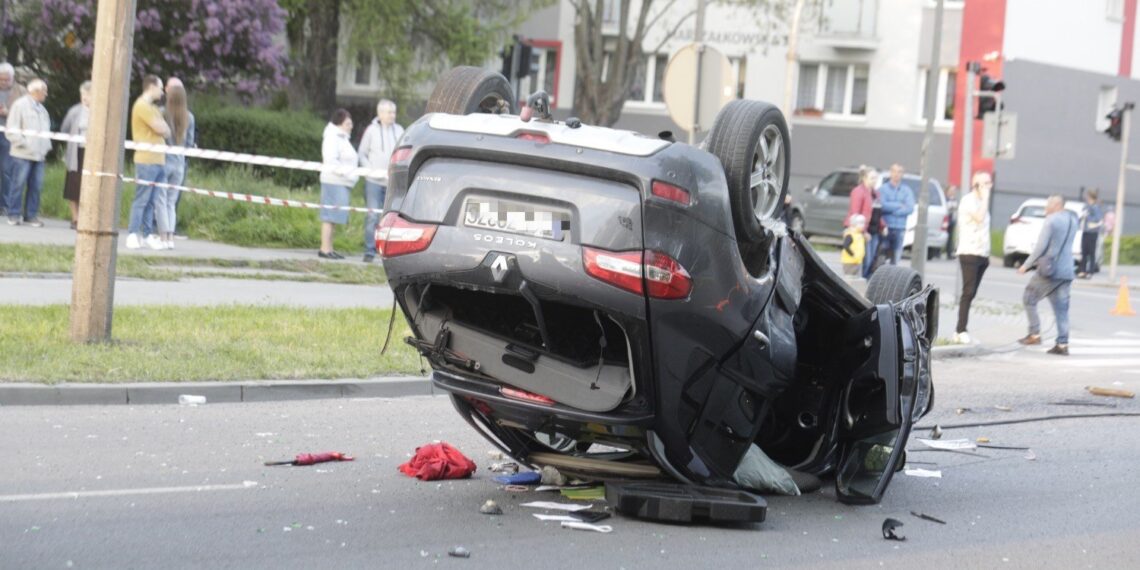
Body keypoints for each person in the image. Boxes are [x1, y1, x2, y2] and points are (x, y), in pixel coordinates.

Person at [1017, 195, 1079, 356]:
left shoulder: (1051, 221)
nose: (1046, 207)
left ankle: (1034, 334)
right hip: (1067, 270)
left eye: (1048, 204)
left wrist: (1026, 265)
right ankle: (1062, 344)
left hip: (1050, 269)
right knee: (1062, 309)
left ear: (1056, 205)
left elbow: (1040, 247)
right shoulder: (1073, 220)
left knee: (1029, 297)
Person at [126, 75, 170, 250]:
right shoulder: (142, 106)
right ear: (151, 87)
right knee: (142, 198)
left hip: (158, 159)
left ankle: (146, 234)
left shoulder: (153, 108)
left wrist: (163, 129)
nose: (162, 91)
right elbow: (161, 128)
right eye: (160, 88)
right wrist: (163, 128)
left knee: (151, 201)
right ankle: (132, 233)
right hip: (146, 159)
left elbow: (166, 130)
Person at [357, 99, 403, 262]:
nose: (393, 115)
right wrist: (370, 170)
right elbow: (361, 153)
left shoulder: (399, 130)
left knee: (390, 218)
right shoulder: (371, 130)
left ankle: (386, 252)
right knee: (372, 216)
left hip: (393, 182)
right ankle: (369, 251)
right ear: (380, 113)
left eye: (394, 112)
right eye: (389, 112)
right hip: (374, 182)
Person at [4, 79, 51, 227]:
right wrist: (25, 145)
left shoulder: (43, 110)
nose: (46, 94)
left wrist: (45, 147)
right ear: (35, 91)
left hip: (39, 155)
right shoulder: (20, 105)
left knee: (36, 186)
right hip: (22, 154)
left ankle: (31, 215)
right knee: (18, 184)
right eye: (44, 91)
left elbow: (46, 131)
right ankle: (13, 214)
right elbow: (11, 130)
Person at [953, 171, 993, 345]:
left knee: (972, 293)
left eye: (988, 183)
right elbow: (979, 217)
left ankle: (962, 329)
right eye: (983, 184)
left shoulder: (982, 201)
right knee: (967, 292)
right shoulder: (968, 200)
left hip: (982, 253)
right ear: (975, 185)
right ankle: (960, 330)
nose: (987, 188)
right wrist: (985, 198)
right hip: (969, 252)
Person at [155, 83, 194, 250]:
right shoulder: (189, 117)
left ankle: (163, 236)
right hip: (180, 163)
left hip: (164, 160)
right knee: (171, 202)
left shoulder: (162, 113)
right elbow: (190, 142)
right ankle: (170, 237)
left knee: (160, 200)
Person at [319, 108, 358, 260]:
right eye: (348, 123)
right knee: (329, 216)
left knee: (334, 217)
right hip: (333, 181)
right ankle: (324, 249)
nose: (351, 126)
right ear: (339, 123)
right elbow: (331, 160)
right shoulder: (332, 138)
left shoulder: (342, 137)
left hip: (342, 182)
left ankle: (330, 248)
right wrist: (347, 173)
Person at [59, 80, 92, 229]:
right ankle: (75, 218)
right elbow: (64, 129)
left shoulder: (100, 111)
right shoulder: (75, 111)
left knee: (89, 185)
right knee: (73, 185)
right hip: (76, 153)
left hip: (91, 153)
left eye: (88, 95)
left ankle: (88, 218)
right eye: (83, 95)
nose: (85, 98)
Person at [846, 167, 885, 278]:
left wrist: (883, 226)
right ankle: (861, 281)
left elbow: (877, 212)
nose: (875, 180)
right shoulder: (858, 192)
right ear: (864, 178)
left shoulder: (876, 193)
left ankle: (866, 282)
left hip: (875, 230)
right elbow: (855, 215)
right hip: (863, 231)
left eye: (876, 178)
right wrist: (863, 231)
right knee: (865, 259)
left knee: (872, 259)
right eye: (872, 178)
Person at [879, 164, 915, 265]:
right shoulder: (883, 189)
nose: (896, 174)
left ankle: (892, 279)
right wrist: (899, 205)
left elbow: (910, 208)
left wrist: (893, 211)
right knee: (881, 256)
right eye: (894, 171)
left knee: (896, 257)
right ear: (890, 172)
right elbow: (882, 206)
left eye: (899, 172)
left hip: (900, 228)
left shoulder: (907, 190)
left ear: (902, 174)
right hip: (885, 227)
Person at [1077, 188, 1104, 279]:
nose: (1086, 197)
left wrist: (1088, 217)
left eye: (1087, 195)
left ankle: (1090, 271)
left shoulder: (1096, 207)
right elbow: (1081, 217)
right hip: (1085, 231)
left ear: (1090, 197)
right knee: (1084, 251)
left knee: (1091, 252)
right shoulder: (1086, 206)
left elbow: (1098, 220)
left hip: (1092, 232)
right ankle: (1082, 270)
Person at [944, 185, 959, 259]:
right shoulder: (944, 199)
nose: (953, 192)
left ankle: (949, 252)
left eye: (954, 191)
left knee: (950, 237)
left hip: (952, 220)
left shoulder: (954, 199)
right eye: (951, 190)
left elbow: (955, 208)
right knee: (944, 235)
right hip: (945, 219)